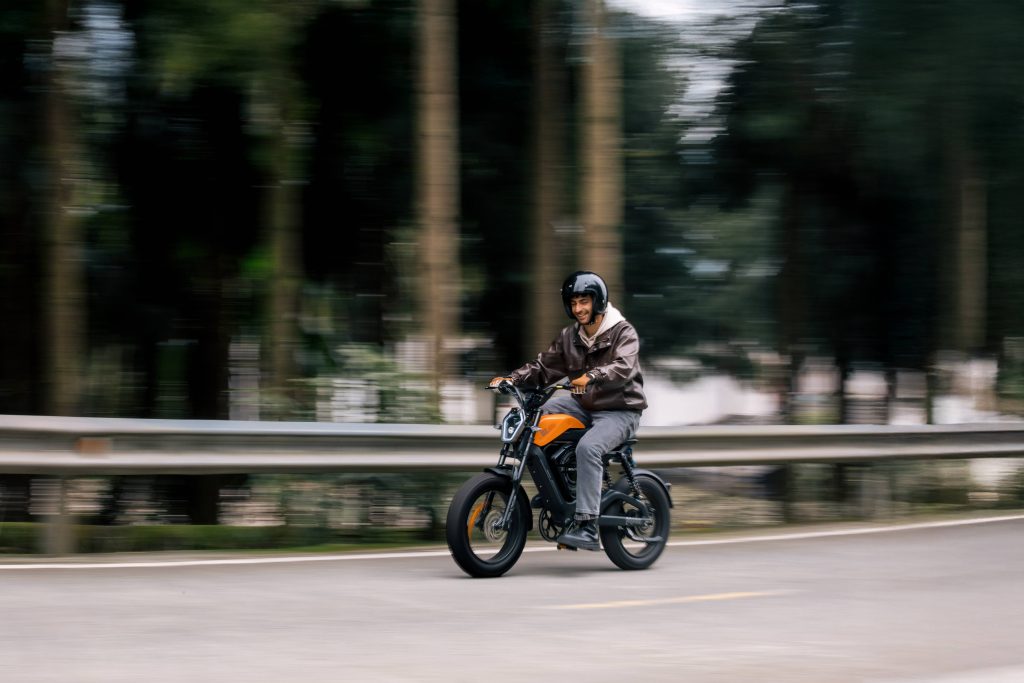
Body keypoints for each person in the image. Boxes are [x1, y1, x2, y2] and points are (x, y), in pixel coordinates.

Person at [490, 271, 646, 551]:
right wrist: (512, 379)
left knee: (588, 448)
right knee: (535, 417)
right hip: (584, 403)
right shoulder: (570, 336)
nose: (578, 309)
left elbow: (623, 367)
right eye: (573, 303)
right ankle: (558, 492)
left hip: (620, 409)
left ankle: (587, 525)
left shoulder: (623, 332)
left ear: (598, 301)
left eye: (584, 301)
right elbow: (543, 367)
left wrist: (593, 375)